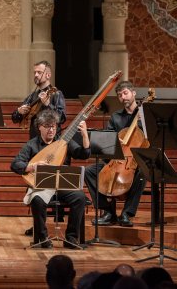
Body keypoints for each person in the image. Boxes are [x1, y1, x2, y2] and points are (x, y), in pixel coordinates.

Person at [10, 108, 90, 249]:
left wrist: (84, 135)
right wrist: (33, 166)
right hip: (42, 186)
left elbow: (83, 154)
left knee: (80, 197)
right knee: (37, 200)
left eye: (53, 126)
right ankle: (42, 238)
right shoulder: (32, 144)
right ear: (39, 127)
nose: (51, 130)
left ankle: (71, 238)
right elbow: (15, 164)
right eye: (47, 126)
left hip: (62, 186)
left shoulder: (64, 143)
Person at [84, 80, 146, 227]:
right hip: (116, 159)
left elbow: (151, 141)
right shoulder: (116, 117)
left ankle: (127, 213)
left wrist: (143, 123)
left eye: (125, 93)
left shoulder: (144, 115)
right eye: (119, 95)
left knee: (142, 174)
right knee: (90, 171)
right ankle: (108, 212)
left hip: (136, 160)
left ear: (133, 93)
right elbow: (108, 140)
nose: (123, 97)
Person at [11, 60, 66, 139]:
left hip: (52, 140)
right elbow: (14, 119)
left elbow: (61, 118)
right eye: (35, 72)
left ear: (48, 75)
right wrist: (19, 112)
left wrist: (48, 105)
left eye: (39, 72)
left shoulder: (56, 94)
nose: (36, 75)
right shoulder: (32, 95)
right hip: (34, 140)